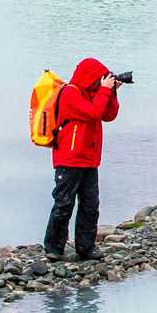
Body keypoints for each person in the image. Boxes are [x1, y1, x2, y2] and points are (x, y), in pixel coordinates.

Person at [44, 57, 121, 260]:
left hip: (89, 159)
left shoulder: (94, 94)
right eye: (100, 78)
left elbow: (108, 115)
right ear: (90, 77)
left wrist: (112, 93)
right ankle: (53, 247)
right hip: (69, 159)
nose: (102, 81)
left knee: (90, 205)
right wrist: (104, 90)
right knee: (64, 204)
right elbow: (94, 112)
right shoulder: (70, 93)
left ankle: (86, 247)